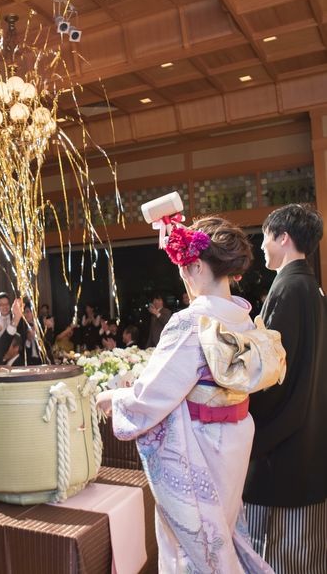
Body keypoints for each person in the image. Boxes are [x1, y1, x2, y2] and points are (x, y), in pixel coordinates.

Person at [96, 216, 280, 572]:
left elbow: (151, 397)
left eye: (183, 268)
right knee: (221, 531)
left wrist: (114, 400)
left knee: (192, 551)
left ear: (196, 266)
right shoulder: (242, 318)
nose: (183, 276)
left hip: (201, 445)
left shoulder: (191, 322)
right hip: (234, 438)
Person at [243, 204, 326, 571]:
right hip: (310, 432)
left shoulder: (288, 288)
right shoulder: (311, 287)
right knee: (306, 553)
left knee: (277, 553)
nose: (262, 246)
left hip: (284, 442)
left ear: (283, 237)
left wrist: (244, 411)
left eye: (265, 237)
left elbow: (273, 373)